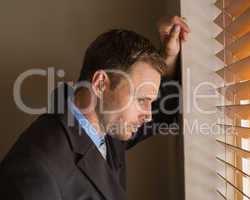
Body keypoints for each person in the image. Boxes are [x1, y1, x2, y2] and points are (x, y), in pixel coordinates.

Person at [0, 16, 190, 200]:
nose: (148, 115)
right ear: (100, 84)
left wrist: (169, 55)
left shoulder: (104, 124)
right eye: (141, 100)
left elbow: (164, 110)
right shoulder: (36, 168)